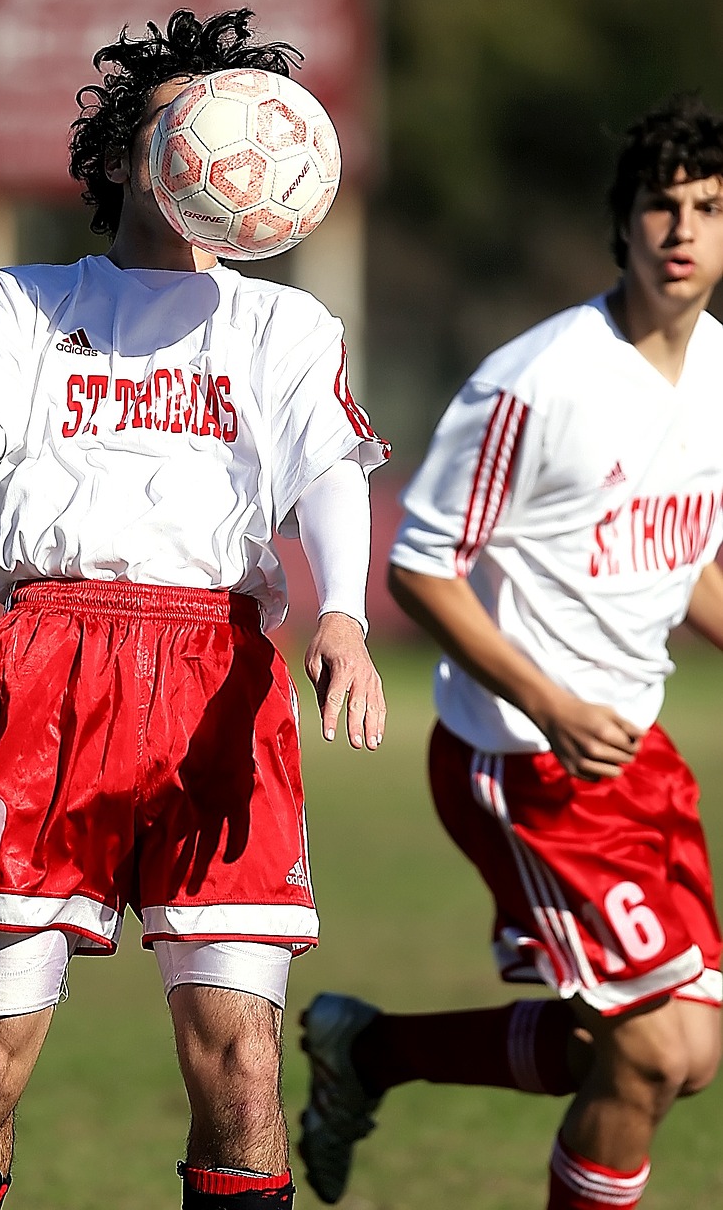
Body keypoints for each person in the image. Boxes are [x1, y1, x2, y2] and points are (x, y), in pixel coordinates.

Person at [0, 8, 389, 1210]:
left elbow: (324, 471)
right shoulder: (30, 298)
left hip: (220, 678)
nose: (216, 136)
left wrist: (341, 612)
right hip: (52, 663)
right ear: (123, 155)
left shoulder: (284, 325)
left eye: (234, 116)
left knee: (242, 1063)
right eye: (178, 117)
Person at [298, 93, 723, 1210]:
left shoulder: (717, 373)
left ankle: (367, 1052)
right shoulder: (532, 382)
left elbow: (683, 563)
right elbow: (417, 568)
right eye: (658, 206)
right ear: (619, 225)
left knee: (659, 1050)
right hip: (521, 759)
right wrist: (549, 700)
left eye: (707, 208)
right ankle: (367, 1054)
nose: (680, 230)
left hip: (633, 753)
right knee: (649, 1050)